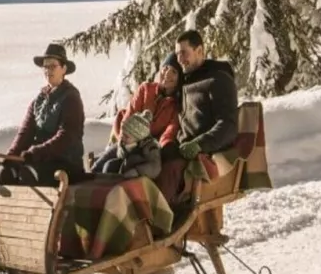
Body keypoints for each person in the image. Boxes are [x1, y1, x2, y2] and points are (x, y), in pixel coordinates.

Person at [0, 42, 86, 186]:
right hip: (40, 160)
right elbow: (25, 133)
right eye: (45, 67)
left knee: (30, 174)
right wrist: (12, 155)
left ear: (64, 69)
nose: (48, 70)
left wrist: (36, 152)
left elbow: (66, 136)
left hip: (66, 163)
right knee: (8, 173)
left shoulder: (71, 99)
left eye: (53, 66)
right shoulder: (38, 101)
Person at [89, 53, 182, 176]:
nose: (167, 74)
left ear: (180, 78)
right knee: (99, 166)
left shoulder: (175, 105)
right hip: (127, 139)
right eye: (165, 68)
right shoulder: (146, 89)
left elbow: (170, 131)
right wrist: (126, 138)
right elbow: (129, 114)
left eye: (174, 72)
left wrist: (162, 148)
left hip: (146, 149)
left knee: (113, 168)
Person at [168, 28, 239, 164]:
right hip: (181, 149)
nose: (179, 59)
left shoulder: (218, 79)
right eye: (177, 54)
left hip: (205, 153)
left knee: (169, 172)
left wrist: (199, 145)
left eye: (184, 52)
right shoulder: (185, 81)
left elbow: (228, 125)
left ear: (199, 50)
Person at [83, 109, 161, 181]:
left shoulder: (149, 147)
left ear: (138, 137)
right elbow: (108, 155)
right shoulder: (123, 144)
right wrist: (94, 170)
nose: (122, 138)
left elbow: (155, 167)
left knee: (134, 159)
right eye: (123, 134)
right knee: (109, 165)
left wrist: (137, 171)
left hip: (139, 181)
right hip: (122, 176)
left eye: (127, 136)